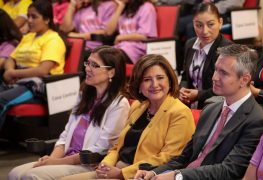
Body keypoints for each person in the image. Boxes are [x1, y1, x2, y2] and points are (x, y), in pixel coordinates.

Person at [134, 44, 263, 180]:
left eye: (223, 73)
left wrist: (177, 176)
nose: (214, 77)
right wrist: (154, 173)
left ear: (244, 79)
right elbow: (185, 157)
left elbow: (230, 171)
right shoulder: (211, 107)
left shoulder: (257, 121)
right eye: (216, 70)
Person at [61, 54, 195, 180]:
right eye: (147, 80)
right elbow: (117, 146)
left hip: (140, 175)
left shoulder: (180, 112)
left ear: (170, 81)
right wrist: (105, 165)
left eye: (160, 78)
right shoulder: (138, 106)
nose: (154, 84)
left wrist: (121, 173)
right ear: (139, 85)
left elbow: (169, 158)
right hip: (115, 169)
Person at [8, 46, 130, 179]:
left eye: (95, 65)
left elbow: (101, 149)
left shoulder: (119, 104)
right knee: (15, 173)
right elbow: (65, 135)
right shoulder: (84, 95)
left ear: (111, 73)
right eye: (87, 63)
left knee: (33, 175)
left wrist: (57, 163)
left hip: (88, 163)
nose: (87, 68)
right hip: (66, 158)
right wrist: (51, 159)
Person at [0, 0, 66, 127]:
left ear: (47, 19)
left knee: (1, 100)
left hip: (38, 87)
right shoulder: (28, 37)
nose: (29, 20)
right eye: (28, 16)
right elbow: (11, 59)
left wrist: (13, 73)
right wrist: (9, 71)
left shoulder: (53, 39)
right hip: (18, 81)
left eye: (34, 17)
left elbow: (43, 70)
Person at [179, 2, 233, 109]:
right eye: (199, 25)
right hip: (189, 105)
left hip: (215, 107)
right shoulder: (190, 44)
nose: (205, 31)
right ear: (193, 24)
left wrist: (199, 95)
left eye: (211, 24)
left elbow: (225, 87)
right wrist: (182, 90)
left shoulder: (228, 50)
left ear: (220, 22)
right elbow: (185, 76)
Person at [104, 0, 157, 64]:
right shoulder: (125, 8)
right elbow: (109, 31)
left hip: (136, 50)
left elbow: (144, 36)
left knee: (107, 58)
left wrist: (120, 37)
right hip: (120, 47)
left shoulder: (147, 7)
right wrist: (120, 7)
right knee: (94, 56)